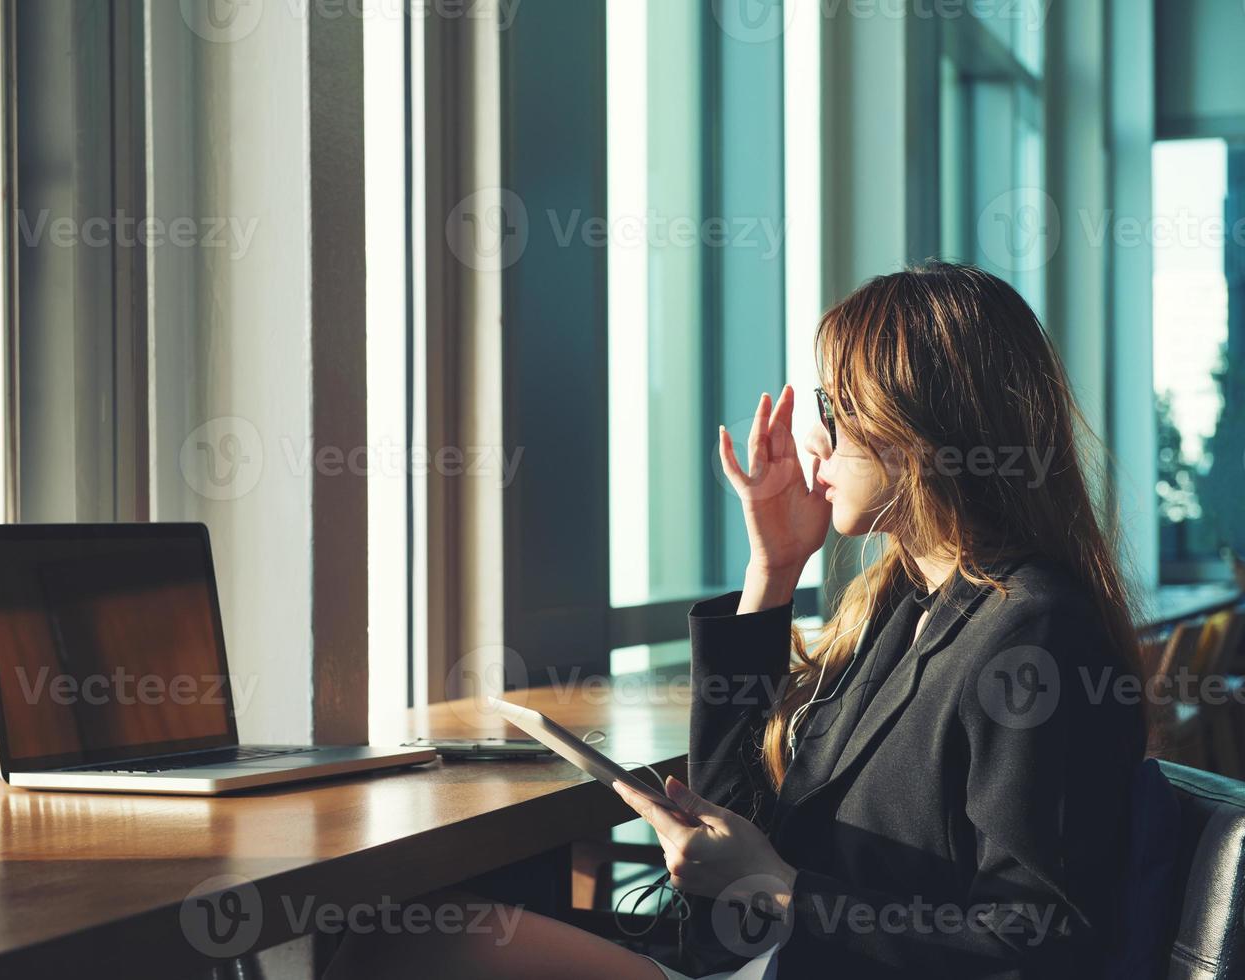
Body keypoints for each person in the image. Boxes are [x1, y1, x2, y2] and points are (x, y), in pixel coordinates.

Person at [324, 263, 1148, 979]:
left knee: (407, 946)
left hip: (792, 963)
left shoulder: (1032, 635)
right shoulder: (908, 605)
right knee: (397, 936)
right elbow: (741, 809)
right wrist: (772, 571)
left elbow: (1038, 948)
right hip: (761, 957)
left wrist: (780, 888)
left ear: (918, 429)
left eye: (834, 405)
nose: (812, 438)